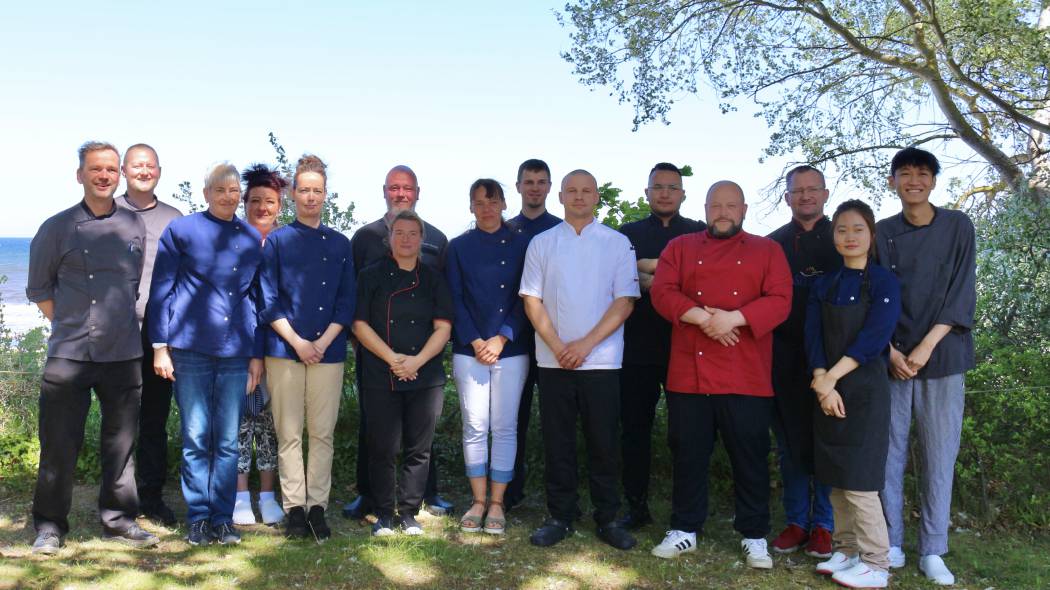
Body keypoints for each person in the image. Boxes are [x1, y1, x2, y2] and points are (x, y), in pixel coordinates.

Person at [650, 180, 791, 568]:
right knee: (688, 452)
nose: (723, 212)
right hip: (689, 373)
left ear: (744, 209)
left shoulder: (768, 250)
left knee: (750, 455)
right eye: (716, 205)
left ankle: (754, 534)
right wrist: (702, 317)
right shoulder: (680, 247)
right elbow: (662, 291)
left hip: (746, 371)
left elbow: (781, 300)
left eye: (731, 205)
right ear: (706, 208)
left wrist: (735, 317)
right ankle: (684, 529)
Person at [27, 141, 158, 554]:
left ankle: (119, 519)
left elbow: (132, 284)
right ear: (80, 175)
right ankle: (49, 527)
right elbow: (40, 291)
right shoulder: (56, 227)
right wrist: (73, 323)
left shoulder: (134, 224)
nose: (104, 176)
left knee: (121, 445)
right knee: (59, 444)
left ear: (118, 175)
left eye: (110, 170)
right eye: (95, 169)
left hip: (123, 353)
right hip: (69, 354)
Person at [520, 169, 640, 551]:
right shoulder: (542, 242)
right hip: (553, 360)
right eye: (572, 190)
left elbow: (625, 301)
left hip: (601, 360)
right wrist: (558, 345)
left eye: (586, 191)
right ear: (560, 196)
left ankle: (607, 518)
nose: (579, 196)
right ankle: (561, 516)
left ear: (597, 197)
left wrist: (585, 344)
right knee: (558, 442)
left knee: (603, 442)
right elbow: (531, 300)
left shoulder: (617, 243)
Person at [148, 162, 265, 546]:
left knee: (228, 440)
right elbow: (162, 289)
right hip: (189, 348)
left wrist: (256, 355)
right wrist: (160, 346)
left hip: (235, 351)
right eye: (221, 190)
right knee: (196, 436)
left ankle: (223, 518)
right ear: (206, 194)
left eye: (234, 191)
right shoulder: (182, 231)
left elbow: (255, 300)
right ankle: (198, 518)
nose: (228, 197)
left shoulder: (250, 237)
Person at [876, 147, 976, 586]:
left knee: (940, 455)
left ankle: (933, 549)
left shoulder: (957, 225)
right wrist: (893, 352)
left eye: (921, 173)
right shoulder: (881, 233)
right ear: (893, 182)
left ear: (933, 181)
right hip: (892, 359)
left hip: (944, 355)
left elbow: (961, 290)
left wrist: (927, 346)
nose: (913, 180)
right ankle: (891, 541)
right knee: (888, 454)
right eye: (904, 173)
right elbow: (874, 299)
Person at [344, 165, 453, 520]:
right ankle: (375, 503)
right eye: (394, 187)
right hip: (377, 360)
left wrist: (416, 361)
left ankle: (416, 503)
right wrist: (390, 357)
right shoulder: (363, 243)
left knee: (419, 444)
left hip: (424, 365)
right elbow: (357, 317)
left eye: (407, 187)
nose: (406, 239)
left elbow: (443, 323)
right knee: (379, 441)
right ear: (389, 237)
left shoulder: (437, 254)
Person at [805, 200, 901, 589]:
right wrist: (820, 379)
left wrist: (831, 381)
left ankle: (877, 563)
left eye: (857, 229)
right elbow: (812, 335)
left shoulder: (883, 281)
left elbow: (874, 338)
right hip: (826, 387)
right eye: (842, 229)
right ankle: (846, 551)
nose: (849, 236)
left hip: (864, 391)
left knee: (860, 480)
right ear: (834, 236)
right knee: (835, 477)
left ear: (871, 235)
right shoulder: (823, 283)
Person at [260, 155, 355, 541]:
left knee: (322, 433)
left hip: (328, 352)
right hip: (284, 349)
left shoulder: (340, 244)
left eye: (317, 190)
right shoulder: (277, 242)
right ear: (293, 194)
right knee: (289, 432)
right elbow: (267, 300)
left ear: (325, 195)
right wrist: (299, 342)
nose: (311, 197)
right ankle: (294, 509)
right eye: (304, 190)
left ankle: (318, 506)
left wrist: (321, 342)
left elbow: (346, 302)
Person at [616, 163, 703, 529]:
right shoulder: (625, 235)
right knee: (634, 430)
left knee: (688, 434)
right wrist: (669, 276)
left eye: (672, 187)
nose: (665, 193)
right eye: (658, 187)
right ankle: (636, 507)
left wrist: (652, 273)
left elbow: (701, 281)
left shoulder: (700, 234)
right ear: (647, 192)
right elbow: (617, 279)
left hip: (688, 347)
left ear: (683, 194)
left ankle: (687, 512)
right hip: (636, 348)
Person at [446, 179, 531, 534]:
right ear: (470, 207)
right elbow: (454, 297)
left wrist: (502, 337)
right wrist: (476, 340)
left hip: (511, 348)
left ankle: (498, 502)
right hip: (470, 348)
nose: (486, 208)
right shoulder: (457, 247)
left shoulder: (523, 244)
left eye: (492, 201)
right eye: (479, 202)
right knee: (475, 426)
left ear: (503, 203)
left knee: (505, 426)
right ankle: (478, 500)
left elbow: (527, 296)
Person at [766, 165, 841, 557]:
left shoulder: (844, 236)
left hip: (836, 362)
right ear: (788, 198)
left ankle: (826, 525)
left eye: (814, 190)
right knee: (791, 445)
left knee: (827, 444)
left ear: (825, 194)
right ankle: (797, 521)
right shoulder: (771, 245)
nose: (806, 196)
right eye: (798, 191)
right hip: (784, 359)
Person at [116, 143, 183, 527]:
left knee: (154, 420)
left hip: (159, 336)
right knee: (119, 420)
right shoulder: (109, 211)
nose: (144, 171)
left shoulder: (175, 219)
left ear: (159, 170)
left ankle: (153, 497)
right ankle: (120, 498)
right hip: (114, 334)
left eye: (150, 165)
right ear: (125, 170)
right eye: (137, 165)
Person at [231, 164, 287, 528]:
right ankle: (238, 496)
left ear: (280, 205)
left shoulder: (286, 242)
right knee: (238, 423)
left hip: (280, 347)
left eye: (269, 201)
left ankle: (267, 495)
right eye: (254, 201)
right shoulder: (233, 240)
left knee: (269, 423)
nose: (262, 207)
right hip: (237, 346)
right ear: (244, 203)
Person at [504, 158, 561, 511]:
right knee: (514, 421)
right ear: (519, 187)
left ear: (550, 187)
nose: (535, 187)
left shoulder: (563, 229)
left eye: (541, 182)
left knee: (558, 423)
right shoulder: (506, 230)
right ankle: (510, 493)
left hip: (556, 342)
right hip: (517, 342)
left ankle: (559, 496)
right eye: (529, 181)